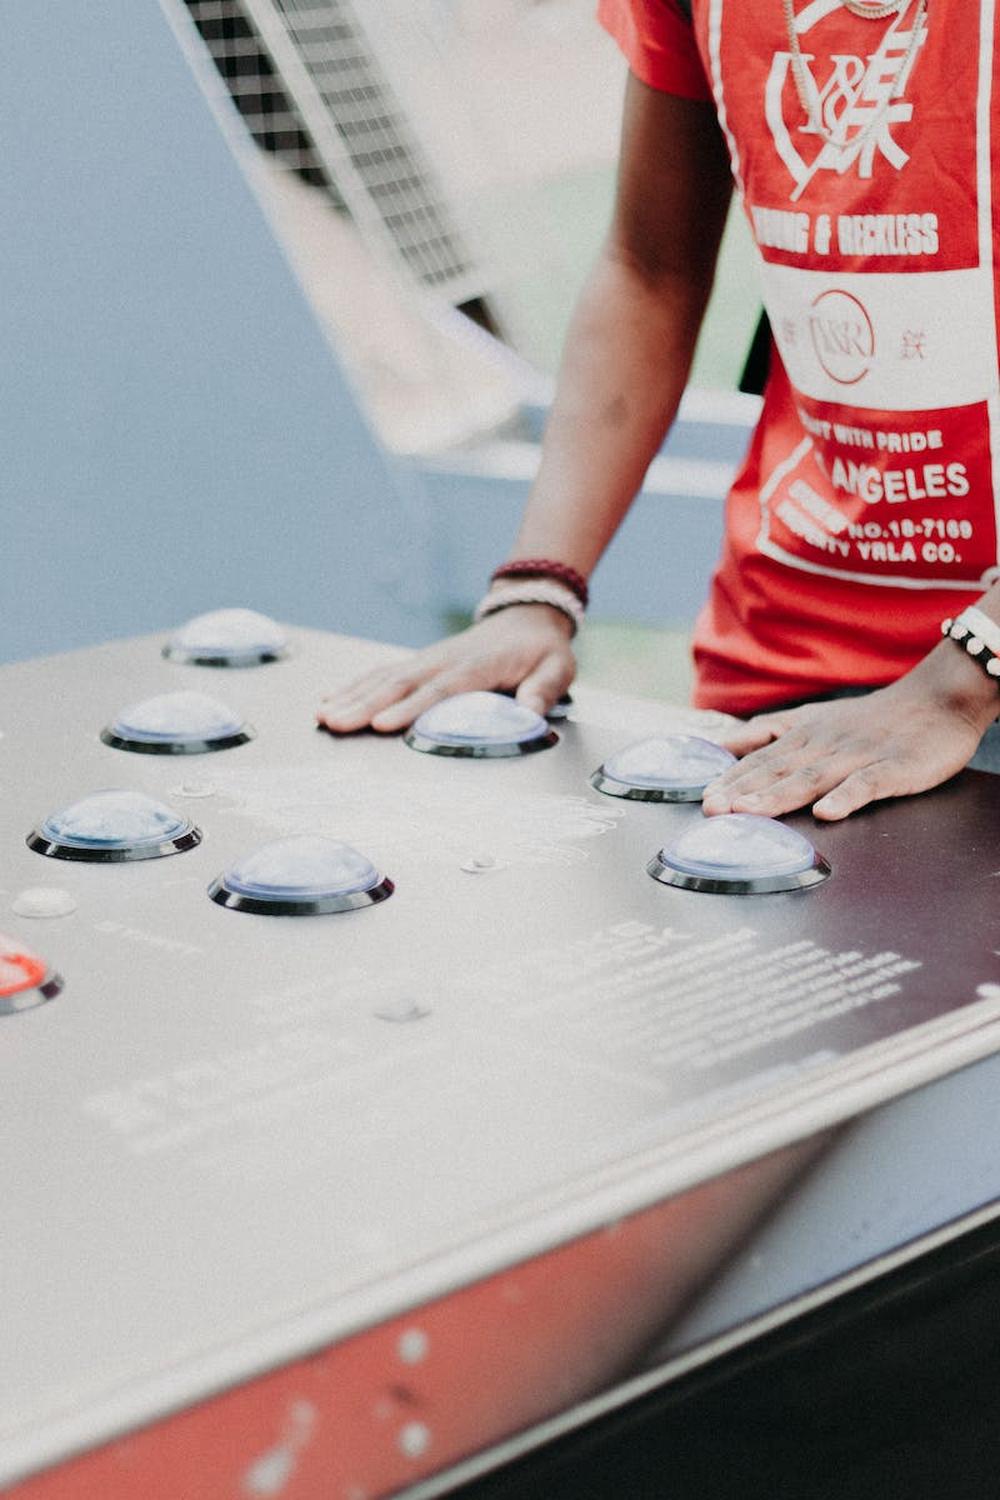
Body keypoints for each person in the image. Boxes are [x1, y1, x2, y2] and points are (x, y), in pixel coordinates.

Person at [318, 0, 1000, 821]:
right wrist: (537, 590)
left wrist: (963, 683)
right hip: (793, 664)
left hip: (964, 687)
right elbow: (650, 267)